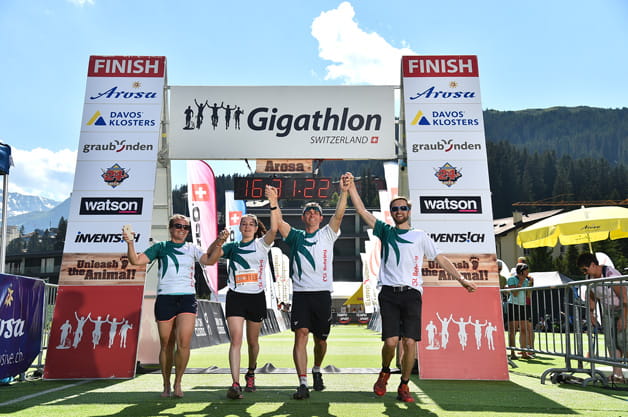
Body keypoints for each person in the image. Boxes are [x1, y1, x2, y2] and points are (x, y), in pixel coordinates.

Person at [345, 172, 476, 403]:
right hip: (388, 293)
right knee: (391, 342)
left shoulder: (420, 235)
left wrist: (462, 279)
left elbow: (440, 259)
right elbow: (363, 212)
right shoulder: (386, 231)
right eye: (395, 209)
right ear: (392, 213)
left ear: (409, 210)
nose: (399, 212)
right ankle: (385, 371)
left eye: (402, 208)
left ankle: (404, 385)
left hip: (412, 294)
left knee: (409, 342)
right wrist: (352, 187)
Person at [274, 174, 350, 400]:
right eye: (308, 212)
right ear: (303, 217)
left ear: (320, 217)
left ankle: (317, 369)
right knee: (301, 335)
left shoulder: (328, 233)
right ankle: (302, 383)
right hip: (301, 295)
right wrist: (273, 201)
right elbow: (278, 223)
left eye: (316, 212)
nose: (312, 214)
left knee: (321, 340)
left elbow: (339, 214)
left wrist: (344, 191)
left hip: (323, 294)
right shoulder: (295, 236)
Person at [123, 214, 213, 398]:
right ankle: (165, 384)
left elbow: (209, 260)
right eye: (178, 226)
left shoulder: (192, 248)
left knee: (184, 343)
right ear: (171, 228)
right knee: (166, 344)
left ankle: (178, 383)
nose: (182, 230)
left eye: (186, 227)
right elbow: (136, 261)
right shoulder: (160, 247)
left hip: (187, 298)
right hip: (165, 298)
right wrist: (130, 243)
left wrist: (218, 243)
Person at [206, 185, 279, 399]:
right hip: (236, 296)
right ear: (239, 227)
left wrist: (273, 202)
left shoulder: (262, 244)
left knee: (253, 342)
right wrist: (219, 240)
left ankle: (251, 372)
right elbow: (210, 257)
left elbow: (274, 230)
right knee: (235, 340)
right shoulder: (232, 247)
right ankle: (235, 383)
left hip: (256, 297)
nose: (247, 227)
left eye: (251, 224)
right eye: (244, 223)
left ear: (256, 228)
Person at [577, 252, 627, 383]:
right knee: (611, 342)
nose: (584, 272)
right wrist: (591, 313)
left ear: (593, 265)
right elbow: (592, 295)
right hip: (608, 310)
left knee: (623, 341)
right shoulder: (590, 278)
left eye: (585, 269)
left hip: (624, 308)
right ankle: (618, 375)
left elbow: (625, 298)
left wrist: (624, 318)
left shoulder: (611, 275)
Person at [506, 263, 533, 360]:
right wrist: (520, 283)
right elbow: (515, 293)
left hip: (523, 306)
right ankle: (512, 353)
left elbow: (527, 295)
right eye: (526, 270)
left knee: (523, 329)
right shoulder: (511, 279)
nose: (528, 272)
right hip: (513, 305)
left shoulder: (526, 280)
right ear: (521, 271)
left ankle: (524, 352)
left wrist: (530, 284)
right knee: (513, 330)